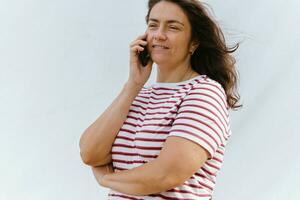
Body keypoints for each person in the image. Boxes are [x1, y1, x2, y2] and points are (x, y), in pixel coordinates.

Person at [79, 0, 242, 199]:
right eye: (153, 25)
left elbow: (166, 174)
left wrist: (107, 180)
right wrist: (133, 85)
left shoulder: (204, 93)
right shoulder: (139, 95)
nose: (159, 35)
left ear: (194, 42)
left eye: (173, 27)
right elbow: (89, 152)